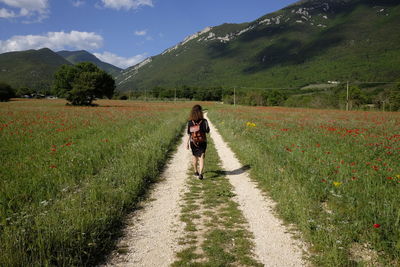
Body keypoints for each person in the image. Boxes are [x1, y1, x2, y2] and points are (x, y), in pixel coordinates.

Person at [186, 105, 210, 180]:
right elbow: (207, 131)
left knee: (194, 156)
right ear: (200, 112)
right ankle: (200, 174)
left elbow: (189, 133)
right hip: (202, 141)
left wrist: (187, 143)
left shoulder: (190, 122)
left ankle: (196, 171)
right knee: (201, 157)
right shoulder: (204, 121)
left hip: (193, 142)